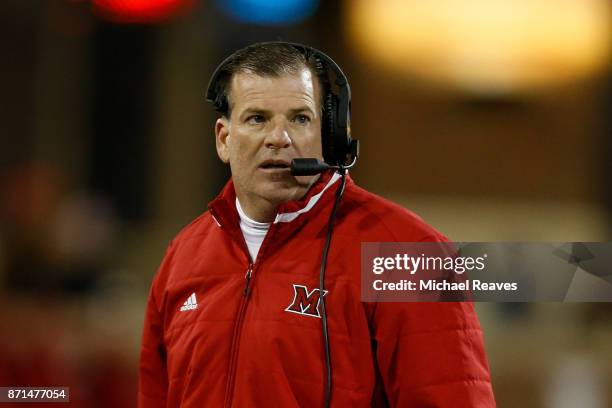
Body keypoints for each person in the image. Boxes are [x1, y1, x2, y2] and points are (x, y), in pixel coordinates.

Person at [138, 42, 495, 407]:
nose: (279, 138)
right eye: (257, 118)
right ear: (224, 140)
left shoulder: (409, 252)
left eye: (300, 118)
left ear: (329, 137)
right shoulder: (183, 255)